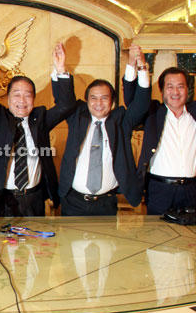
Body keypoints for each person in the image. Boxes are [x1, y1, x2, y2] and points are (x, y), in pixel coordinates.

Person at [0, 43, 77, 217]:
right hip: (0, 197)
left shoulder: (40, 118)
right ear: (8, 99)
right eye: (16, 94)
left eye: (27, 95)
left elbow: (67, 105)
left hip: (33, 198)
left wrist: (60, 70)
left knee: (34, 243)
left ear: (33, 99)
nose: (22, 100)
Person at [59, 44, 150, 216]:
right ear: (86, 101)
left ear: (112, 102)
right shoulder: (77, 116)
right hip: (73, 201)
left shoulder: (121, 120)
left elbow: (141, 105)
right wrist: (61, 68)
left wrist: (138, 66)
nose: (98, 103)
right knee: (69, 243)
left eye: (104, 98)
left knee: (107, 243)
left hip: (106, 203)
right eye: (93, 98)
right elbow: (65, 99)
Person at [129, 64, 196, 215]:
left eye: (180, 86)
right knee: (158, 235)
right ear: (161, 91)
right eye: (170, 87)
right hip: (159, 189)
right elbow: (132, 101)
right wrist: (138, 68)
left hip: (191, 189)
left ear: (187, 90)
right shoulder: (153, 112)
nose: (175, 92)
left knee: (189, 237)